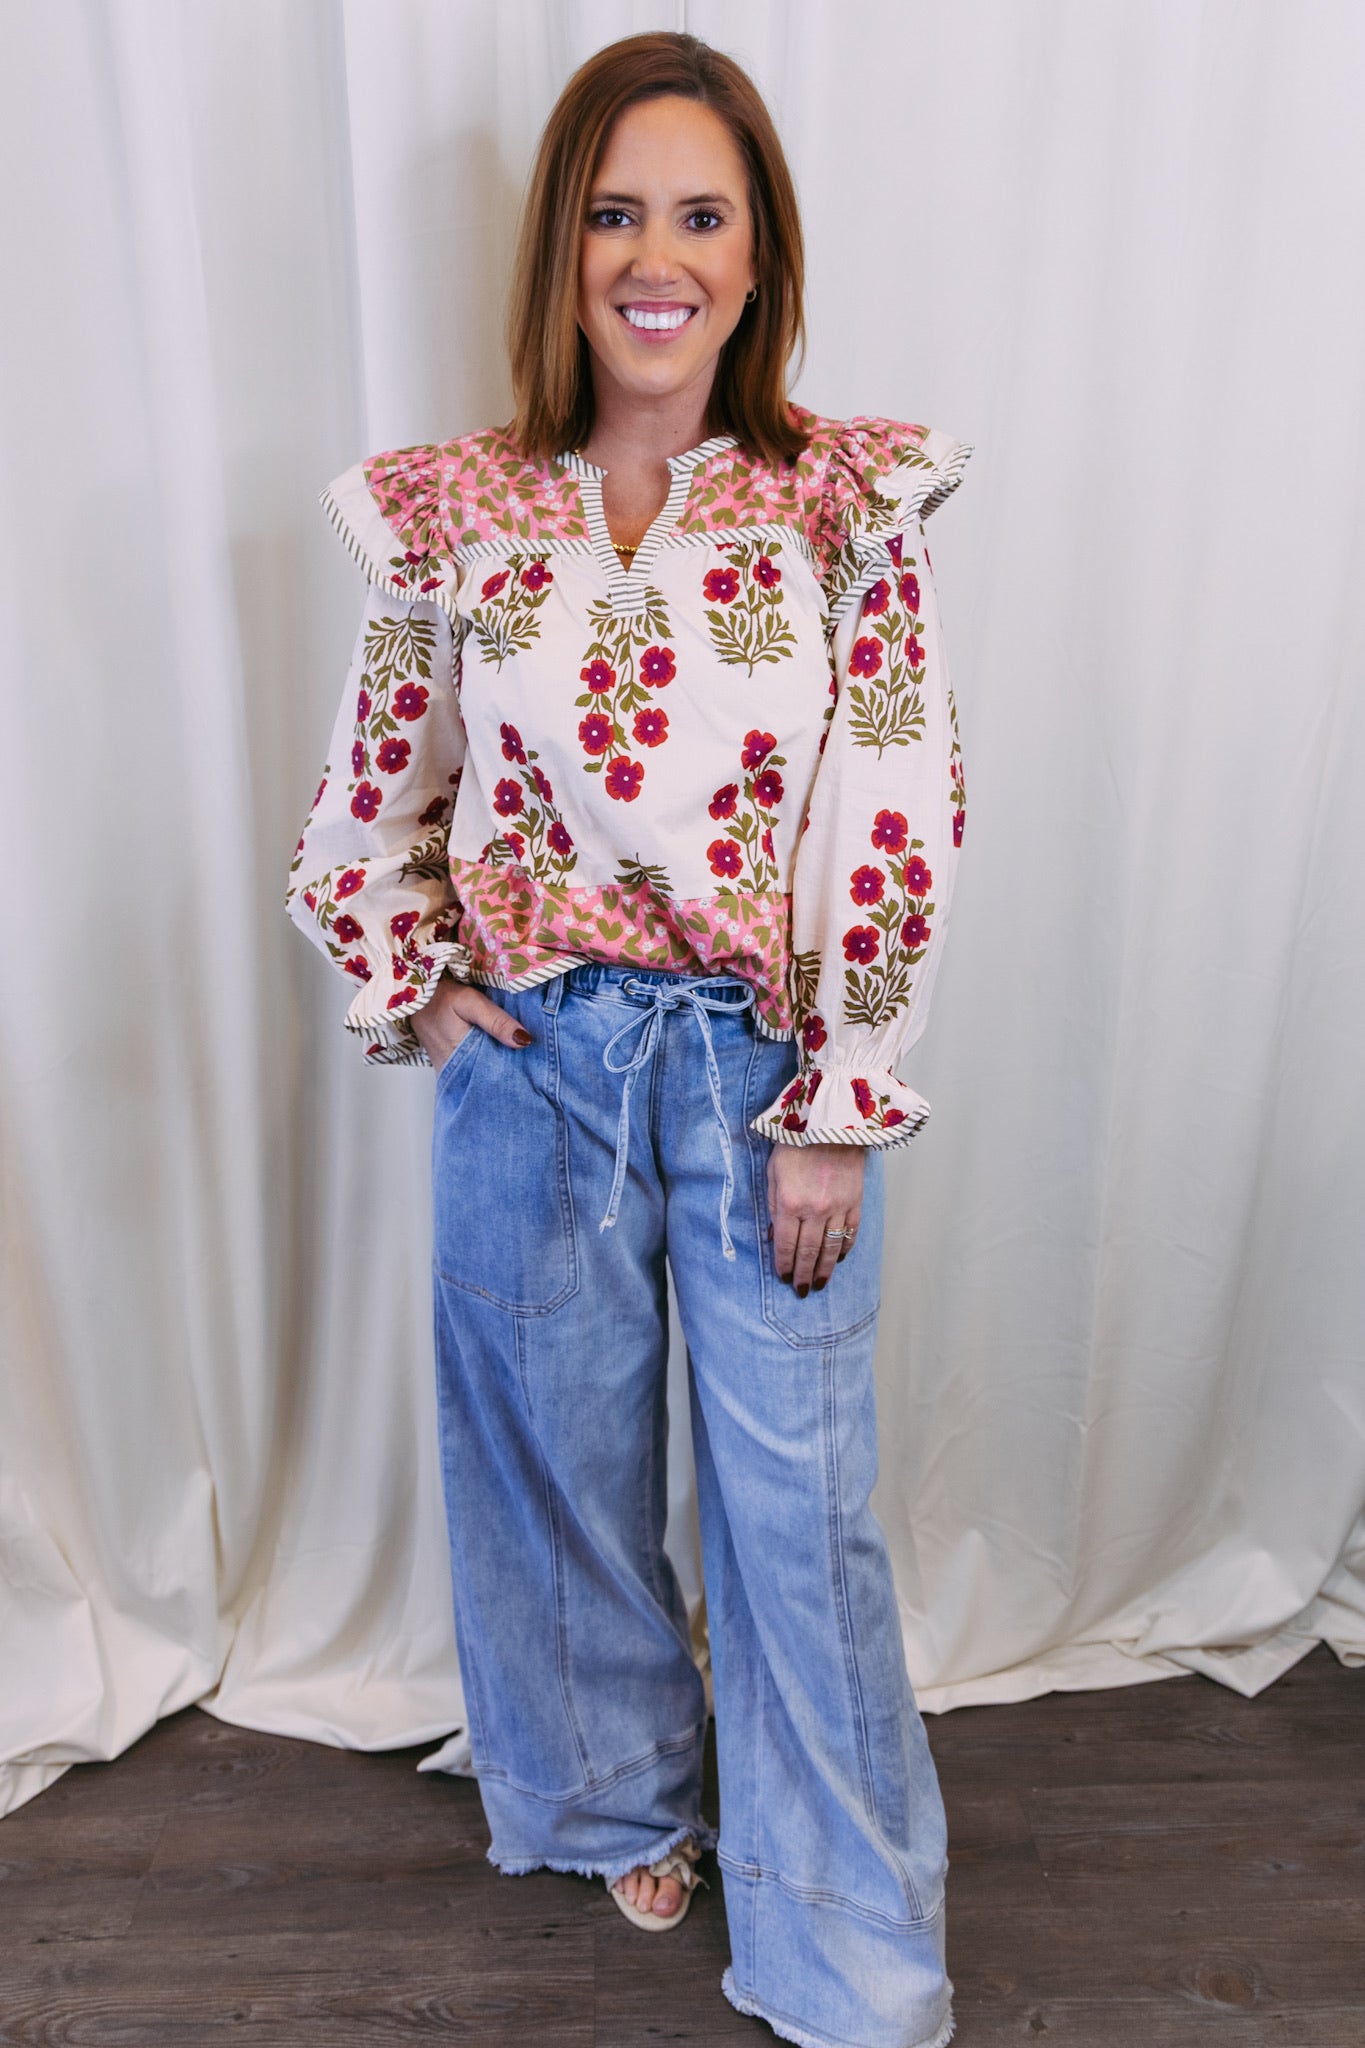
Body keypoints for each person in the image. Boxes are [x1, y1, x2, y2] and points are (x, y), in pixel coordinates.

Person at [287, 30, 970, 2048]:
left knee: (795, 1513)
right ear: (559, 250)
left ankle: (845, 1936)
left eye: (697, 216)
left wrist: (838, 1096)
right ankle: (606, 1797)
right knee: (555, 1468)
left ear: (755, 258)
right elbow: (372, 787)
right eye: (611, 215)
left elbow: (897, 804)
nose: (651, 258)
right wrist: (418, 972)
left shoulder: (840, 504)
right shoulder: (457, 516)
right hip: (536, 1061)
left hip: (759, 1071)